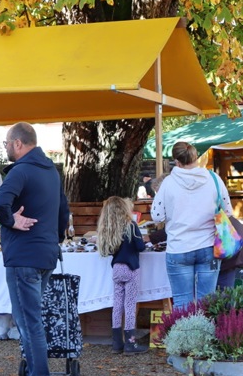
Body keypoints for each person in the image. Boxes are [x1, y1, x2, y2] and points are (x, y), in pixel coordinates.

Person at [0, 122, 69, 376]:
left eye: (6, 144)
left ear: (18, 143)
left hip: (23, 256)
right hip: (45, 253)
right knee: (32, 321)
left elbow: (0, 203)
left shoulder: (21, 170)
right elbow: (63, 211)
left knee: (29, 322)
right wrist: (53, 239)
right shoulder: (51, 171)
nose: (6, 148)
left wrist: (11, 220)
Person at [151, 141, 228, 310]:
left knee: (181, 304)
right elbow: (227, 211)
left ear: (176, 161)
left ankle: (184, 336)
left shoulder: (168, 183)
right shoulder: (214, 179)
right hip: (208, 246)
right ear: (195, 157)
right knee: (207, 302)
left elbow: (157, 216)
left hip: (178, 247)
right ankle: (205, 336)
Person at [96, 196, 148, 354]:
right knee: (130, 305)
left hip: (116, 269)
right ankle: (130, 343)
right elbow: (140, 246)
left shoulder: (109, 228)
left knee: (117, 304)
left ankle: (117, 342)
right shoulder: (131, 225)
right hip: (131, 269)